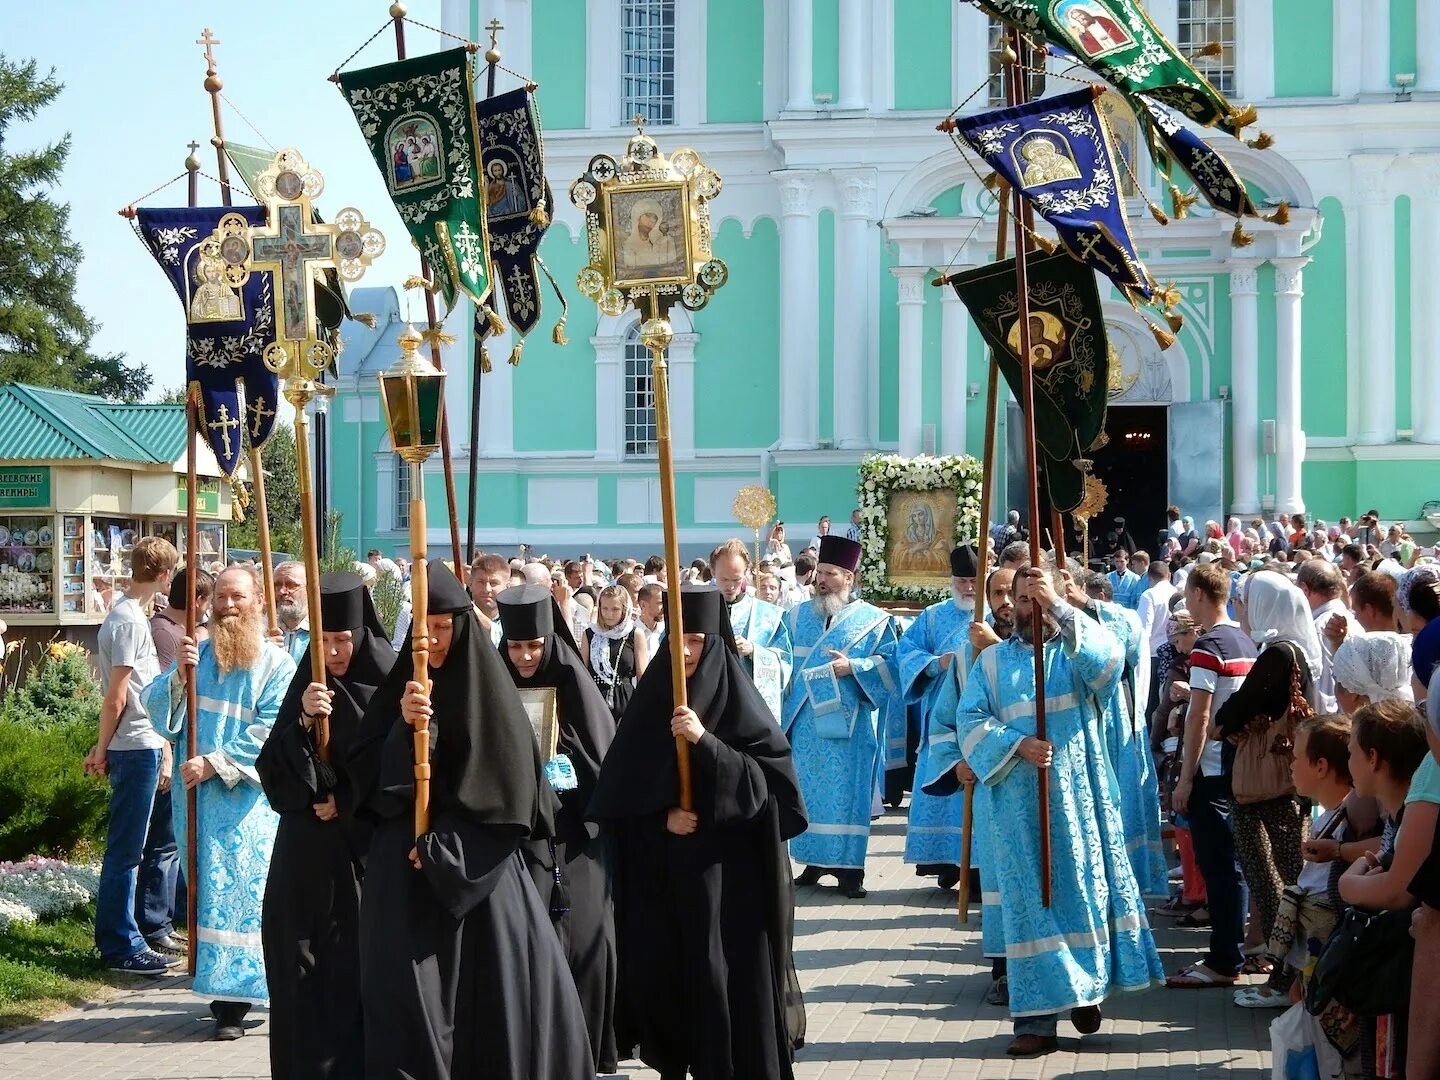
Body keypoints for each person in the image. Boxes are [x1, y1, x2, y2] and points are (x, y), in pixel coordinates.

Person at [345, 562, 593, 1078]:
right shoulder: (399, 693)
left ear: (460, 626)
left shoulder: (488, 691)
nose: (432, 641)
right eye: (423, 630)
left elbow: (511, 793)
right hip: (406, 877)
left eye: (442, 628)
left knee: (493, 1007)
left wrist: (448, 846)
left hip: (478, 876)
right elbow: (365, 783)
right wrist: (402, 728)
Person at [589, 584, 808, 1079]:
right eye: (676, 640)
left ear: (714, 643)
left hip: (731, 881)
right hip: (668, 881)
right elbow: (618, 801)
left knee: (726, 986)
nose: (685, 652)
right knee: (678, 985)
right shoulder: (652, 702)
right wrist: (660, 817)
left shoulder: (737, 698)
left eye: (696, 641)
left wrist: (704, 743)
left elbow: (769, 788)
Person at [946, 564, 1163, 1056]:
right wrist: (1017, 744)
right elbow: (970, 719)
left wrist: (1061, 607)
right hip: (1016, 809)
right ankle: (1035, 1023)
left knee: (1080, 893)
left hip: (1079, 799)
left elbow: (1110, 664)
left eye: (1037, 599)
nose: (1028, 608)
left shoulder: (1074, 652)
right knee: (1029, 907)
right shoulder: (993, 662)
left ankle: (1085, 989)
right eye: (1022, 600)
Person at [142, 565, 296, 1039]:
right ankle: (221, 993)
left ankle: (235, 1001)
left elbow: (273, 729)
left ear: (258, 603)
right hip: (197, 805)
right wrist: (176, 679)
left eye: (238, 597)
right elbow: (158, 712)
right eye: (221, 597)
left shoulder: (278, 666)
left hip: (247, 805)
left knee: (244, 899)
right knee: (207, 899)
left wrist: (217, 761)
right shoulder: (198, 657)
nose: (227, 605)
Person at [256, 572, 395, 1078]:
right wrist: (301, 725)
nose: (335, 652)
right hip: (305, 861)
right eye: (325, 641)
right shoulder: (308, 683)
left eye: (343, 640)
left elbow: (400, 771)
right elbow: (272, 771)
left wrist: (347, 797)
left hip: (363, 862)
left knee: (354, 974)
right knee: (298, 971)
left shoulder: (385, 684)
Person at [497, 584, 619, 1075]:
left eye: (534, 646)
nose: (525, 657)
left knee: (587, 944)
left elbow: (603, 759)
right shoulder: (496, 683)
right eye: (514, 646)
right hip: (520, 842)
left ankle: (586, 1052)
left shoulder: (575, 685)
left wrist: (562, 755)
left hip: (576, 838)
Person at [1232, 715, 1376, 1009]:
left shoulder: (1352, 817)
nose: (1291, 764)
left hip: (1332, 953)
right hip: (1316, 954)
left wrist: (1338, 850)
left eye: (1296, 757)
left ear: (1320, 767)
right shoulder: (1329, 815)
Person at [784, 536, 898, 899]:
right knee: (809, 792)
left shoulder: (874, 621)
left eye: (831, 574)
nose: (821, 580)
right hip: (804, 723)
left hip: (851, 725)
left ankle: (850, 870)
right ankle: (814, 862)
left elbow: (892, 666)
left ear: (849, 577)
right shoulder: (797, 615)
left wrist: (854, 667)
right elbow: (779, 657)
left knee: (847, 794)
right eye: (819, 573)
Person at [88, 536, 181, 977]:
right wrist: (102, 747)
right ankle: (119, 945)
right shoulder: (129, 621)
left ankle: (132, 935)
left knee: (134, 848)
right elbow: (118, 695)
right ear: (163, 575)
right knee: (125, 850)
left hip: (143, 741)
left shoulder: (132, 616)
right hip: (133, 744)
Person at [1166, 562, 1256, 989]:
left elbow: (1199, 716)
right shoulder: (1244, 640)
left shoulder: (1208, 647)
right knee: (1231, 863)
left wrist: (1185, 779)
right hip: (1238, 767)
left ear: (1200, 594)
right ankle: (1231, 951)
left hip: (1211, 768)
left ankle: (1224, 959)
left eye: (1188, 593)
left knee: (1219, 864)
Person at [1074, 570, 1167, 897]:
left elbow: (1127, 635)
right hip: (1073, 728)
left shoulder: (1117, 615)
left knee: (1120, 801)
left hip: (1116, 723)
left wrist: (1083, 606)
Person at [897, 545, 980, 889]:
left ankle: (974, 867)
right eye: (961, 580)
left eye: (974, 580)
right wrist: (935, 664)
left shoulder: (993, 615)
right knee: (944, 789)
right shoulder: (933, 616)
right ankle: (947, 863)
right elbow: (905, 652)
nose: (968, 587)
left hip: (980, 716)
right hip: (941, 720)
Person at [712, 538, 793, 722]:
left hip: (749, 708)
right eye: (723, 579)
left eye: (736, 579)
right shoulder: (699, 610)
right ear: (713, 572)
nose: (730, 586)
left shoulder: (769, 615)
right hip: (710, 705)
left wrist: (754, 650)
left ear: (746, 574)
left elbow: (785, 661)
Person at [1297, 558, 1358, 713]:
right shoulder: (1352, 620)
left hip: (1330, 726)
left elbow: (1323, 692)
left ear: (1305, 589)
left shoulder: (1320, 628)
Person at [584, 584, 650, 722]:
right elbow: (583, 671)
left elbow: (642, 676)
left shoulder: (634, 634)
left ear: (624, 610)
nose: (609, 614)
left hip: (625, 701)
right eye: (605, 608)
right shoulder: (590, 633)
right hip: (594, 700)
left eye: (615, 609)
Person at [1136, 559, 1176, 725]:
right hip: (1175, 650)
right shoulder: (1177, 591)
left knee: (1152, 699)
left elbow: (1144, 628)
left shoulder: (1149, 595)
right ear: (1169, 575)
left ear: (1149, 578)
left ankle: (1151, 733)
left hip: (1153, 653)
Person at [152, 568, 213, 671]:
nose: (210, 606)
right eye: (210, 601)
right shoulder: (164, 634)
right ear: (198, 601)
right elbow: (164, 680)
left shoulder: (172, 629)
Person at [468, 552, 510, 645]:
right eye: (481, 582)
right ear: (470, 584)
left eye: (493, 583)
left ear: (507, 586)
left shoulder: (513, 620)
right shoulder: (460, 619)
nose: (487, 589)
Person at [273, 561, 310, 665]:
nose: (282, 592)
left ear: (309, 589)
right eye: (277, 585)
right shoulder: (263, 630)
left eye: (291, 585)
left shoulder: (321, 632)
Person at [635, 581, 664, 657]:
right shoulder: (631, 634)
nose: (664, 608)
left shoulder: (666, 631)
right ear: (643, 605)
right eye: (660, 603)